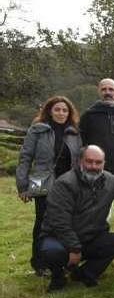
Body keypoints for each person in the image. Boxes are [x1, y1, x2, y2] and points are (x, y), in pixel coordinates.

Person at [38, 145, 114, 292]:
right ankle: (58, 277)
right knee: (52, 251)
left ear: (104, 163)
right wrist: (74, 248)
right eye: (89, 161)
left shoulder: (110, 180)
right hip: (60, 238)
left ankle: (85, 274)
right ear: (80, 162)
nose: (94, 166)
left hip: (89, 237)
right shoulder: (64, 184)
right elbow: (59, 222)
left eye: (98, 162)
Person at [16, 96, 82, 275]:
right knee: (42, 223)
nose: (61, 113)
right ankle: (39, 264)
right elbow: (25, 158)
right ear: (49, 111)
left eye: (65, 110)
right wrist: (22, 186)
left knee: (67, 223)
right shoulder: (37, 130)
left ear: (69, 113)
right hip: (42, 183)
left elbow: (79, 161)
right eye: (57, 109)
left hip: (68, 184)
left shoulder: (74, 133)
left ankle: (64, 262)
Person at [79, 78, 114, 213]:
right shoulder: (89, 115)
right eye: (104, 89)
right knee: (95, 212)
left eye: (111, 89)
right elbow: (82, 142)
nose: (107, 92)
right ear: (99, 92)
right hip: (96, 171)